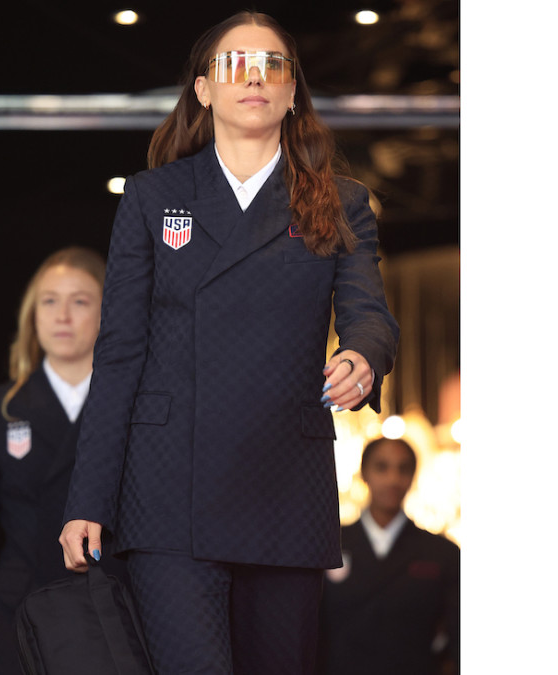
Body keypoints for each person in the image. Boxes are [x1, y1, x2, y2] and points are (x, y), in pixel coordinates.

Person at [57, 11, 400, 675]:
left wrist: (362, 354)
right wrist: (87, 502)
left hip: (285, 490)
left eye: (272, 65)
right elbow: (120, 354)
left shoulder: (338, 201)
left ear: (293, 92)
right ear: (203, 89)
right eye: (234, 64)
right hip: (166, 492)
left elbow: (370, 315)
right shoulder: (154, 199)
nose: (255, 78)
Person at [0, 246, 127, 675]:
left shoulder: (139, 408)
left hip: (112, 608)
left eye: (79, 301)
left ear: (108, 310)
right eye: (49, 300)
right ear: (32, 313)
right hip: (21, 612)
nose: (62, 315)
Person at [318, 438, 460, 675]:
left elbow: (458, 637)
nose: (393, 479)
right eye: (382, 467)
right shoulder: (329, 545)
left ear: (413, 476)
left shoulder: (442, 553)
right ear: (365, 473)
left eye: (403, 469)